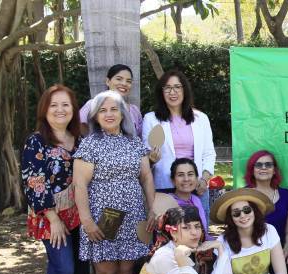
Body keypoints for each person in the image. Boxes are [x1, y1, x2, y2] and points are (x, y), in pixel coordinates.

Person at [74, 90, 156, 274]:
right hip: (105, 216)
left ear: (123, 113)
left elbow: (146, 178)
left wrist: (152, 208)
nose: (109, 114)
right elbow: (79, 185)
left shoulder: (135, 143)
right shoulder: (89, 144)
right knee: (106, 270)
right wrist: (86, 220)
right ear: (95, 116)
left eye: (114, 109)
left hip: (132, 214)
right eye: (103, 110)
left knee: (126, 269)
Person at [20, 84, 91, 274]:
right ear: (44, 110)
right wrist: (53, 218)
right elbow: (34, 182)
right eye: (54, 105)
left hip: (80, 214)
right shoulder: (36, 141)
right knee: (63, 269)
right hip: (51, 217)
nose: (60, 110)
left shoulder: (81, 140)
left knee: (82, 269)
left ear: (73, 110)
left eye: (66, 105)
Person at [142, 69, 216, 220]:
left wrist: (204, 179)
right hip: (165, 187)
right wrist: (151, 159)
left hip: (196, 186)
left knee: (199, 233)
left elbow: (209, 153)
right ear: (161, 92)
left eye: (177, 87)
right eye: (167, 88)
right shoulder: (151, 119)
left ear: (185, 90)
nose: (172, 92)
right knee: (167, 235)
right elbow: (145, 156)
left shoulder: (201, 118)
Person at [244, 151, 288, 274]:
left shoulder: (285, 195)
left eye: (268, 165)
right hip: (251, 251)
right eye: (259, 165)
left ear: (274, 170)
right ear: (252, 170)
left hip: (277, 250)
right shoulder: (244, 195)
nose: (263, 168)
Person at [79, 64, 143, 136]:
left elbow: (140, 136)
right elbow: (80, 125)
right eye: (119, 79)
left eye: (128, 81)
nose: (124, 83)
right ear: (108, 81)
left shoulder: (134, 110)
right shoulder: (93, 104)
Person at [170, 158, 209, 234]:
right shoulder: (167, 202)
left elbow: (203, 232)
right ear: (173, 180)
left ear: (197, 178)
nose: (186, 179)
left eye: (190, 174)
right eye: (180, 175)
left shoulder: (196, 200)